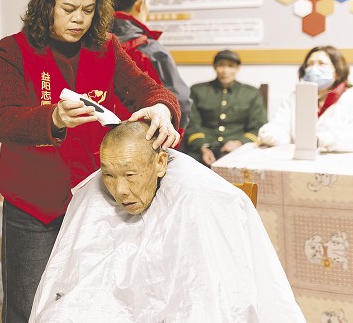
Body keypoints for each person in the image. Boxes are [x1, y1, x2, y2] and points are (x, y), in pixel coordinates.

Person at [0, 0, 181, 323]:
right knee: (27, 305)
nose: (79, 19)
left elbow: (150, 91)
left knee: (86, 300)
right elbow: (3, 120)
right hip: (35, 202)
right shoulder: (15, 49)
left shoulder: (106, 48)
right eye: (68, 9)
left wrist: (161, 109)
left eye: (88, 10)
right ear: (47, 4)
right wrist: (53, 118)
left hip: (93, 198)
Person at [30, 121, 304, 322]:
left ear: (161, 163)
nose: (120, 190)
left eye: (130, 175)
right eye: (109, 175)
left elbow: (212, 298)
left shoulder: (198, 200)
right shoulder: (94, 197)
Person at [111, 0, 192, 129]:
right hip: (142, 138)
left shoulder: (91, 44)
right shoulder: (151, 51)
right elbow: (180, 103)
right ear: (140, 4)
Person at [258, 45, 353, 152]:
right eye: (309, 64)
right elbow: (281, 126)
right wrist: (270, 135)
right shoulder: (294, 97)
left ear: (338, 71)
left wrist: (321, 140)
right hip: (300, 159)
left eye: (322, 64)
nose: (314, 69)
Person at [184, 49, 267, 166]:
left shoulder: (251, 93)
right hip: (203, 146)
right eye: (221, 65)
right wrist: (203, 147)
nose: (225, 71)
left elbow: (258, 126)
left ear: (237, 68)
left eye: (230, 66)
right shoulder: (198, 90)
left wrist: (239, 143)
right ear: (215, 67)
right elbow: (192, 124)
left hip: (238, 148)